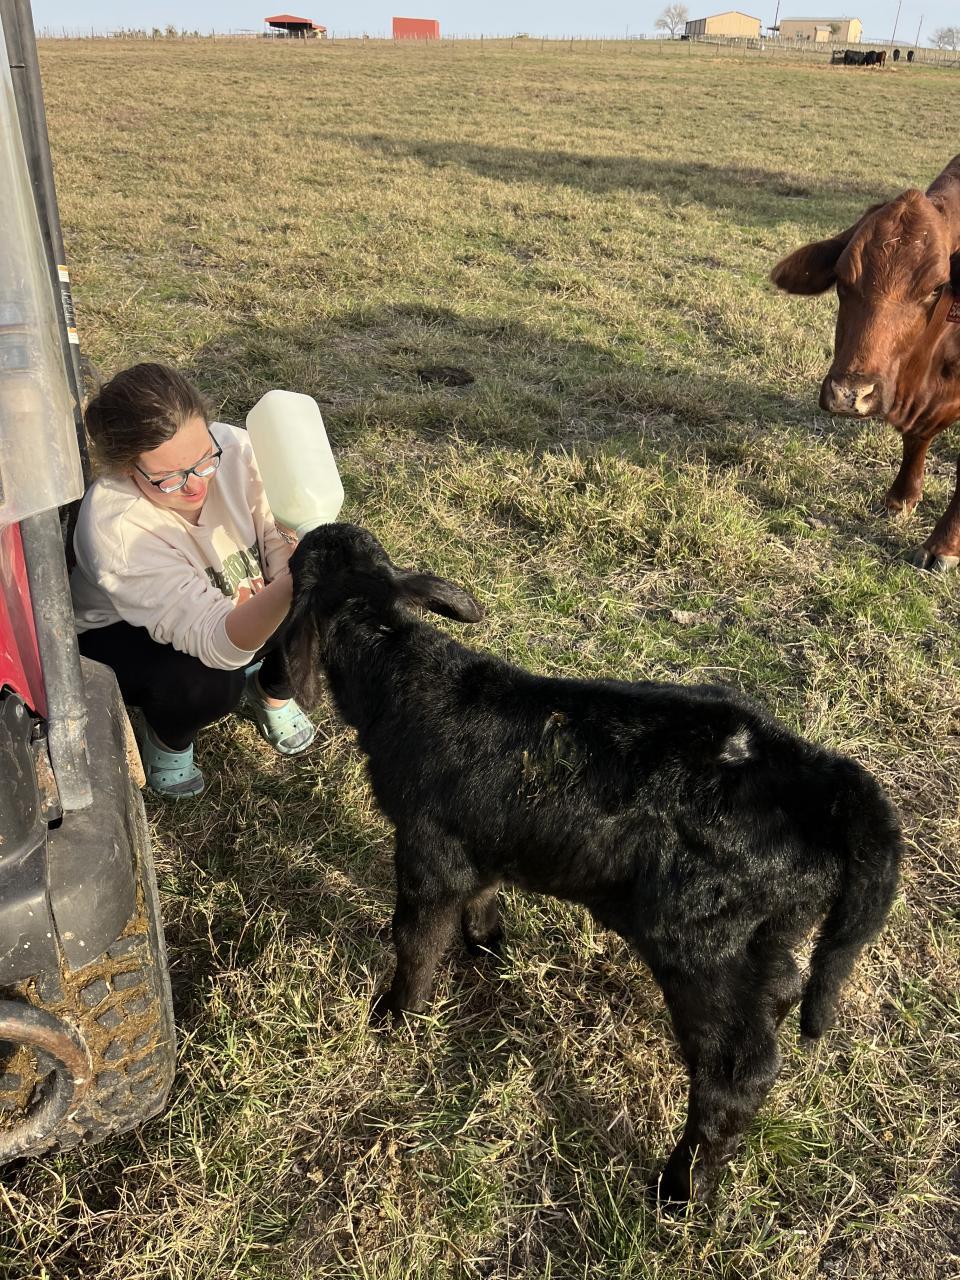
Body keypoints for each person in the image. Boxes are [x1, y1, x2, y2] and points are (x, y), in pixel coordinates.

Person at [71, 362, 316, 798]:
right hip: (124, 633)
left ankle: (272, 692)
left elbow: (277, 532)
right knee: (207, 683)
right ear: (125, 469)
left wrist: (296, 567)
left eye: (204, 459)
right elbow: (220, 645)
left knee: (326, 600)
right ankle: (169, 738)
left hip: (234, 598)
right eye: (169, 478)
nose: (195, 486)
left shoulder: (236, 448)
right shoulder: (118, 529)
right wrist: (292, 585)